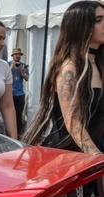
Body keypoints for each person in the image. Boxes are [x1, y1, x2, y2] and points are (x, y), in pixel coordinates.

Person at [23, 1, 104, 155]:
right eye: (98, 20)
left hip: (94, 149)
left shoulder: (98, 64)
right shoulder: (70, 68)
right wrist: (96, 157)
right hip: (69, 155)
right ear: (81, 26)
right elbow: (72, 121)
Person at [10, 47, 29, 134]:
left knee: (18, 114)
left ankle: (19, 132)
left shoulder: (23, 65)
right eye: (16, 54)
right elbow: (2, 77)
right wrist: (11, 68)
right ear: (12, 55)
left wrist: (23, 72)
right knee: (10, 114)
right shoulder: (7, 64)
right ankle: (9, 131)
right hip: (9, 94)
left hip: (20, 94)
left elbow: (27, 79)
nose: (17, 56)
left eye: (19, 54)